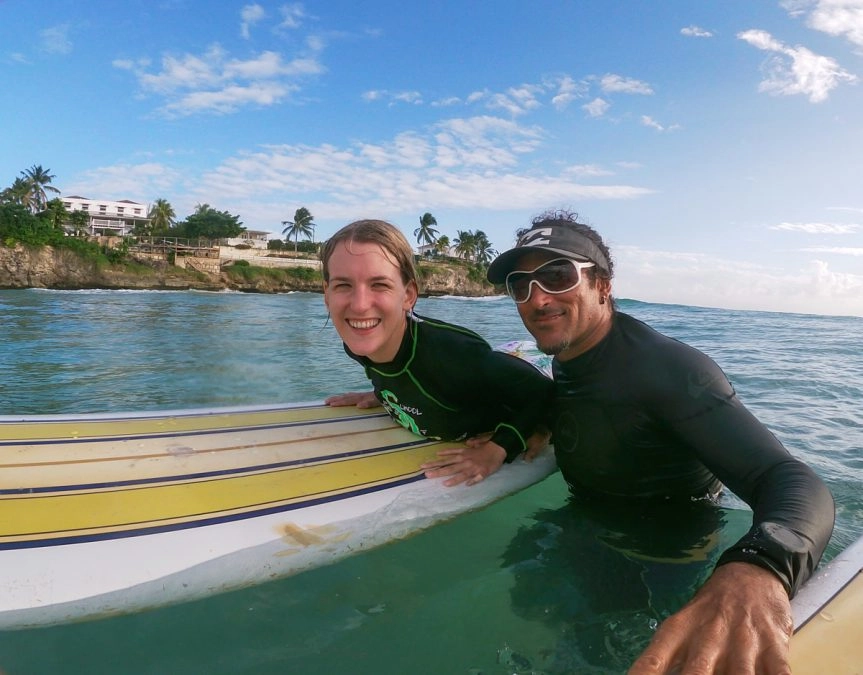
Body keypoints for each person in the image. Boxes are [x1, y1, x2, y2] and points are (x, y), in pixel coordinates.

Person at [482, 209, 835, 674]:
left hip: (661, 562)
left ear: (602, 286)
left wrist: (758, 569)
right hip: (584, 526)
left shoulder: (671, 370)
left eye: (557, 275)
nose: (538, 298)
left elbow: (790, 480)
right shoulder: (569, 356)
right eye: (520, 285)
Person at [321, 219, 553, 484]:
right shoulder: (358, 342)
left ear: (408, 295)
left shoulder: (452, 354)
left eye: (379, 285)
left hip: (526, 372)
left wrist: (502, 445)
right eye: (343, 285)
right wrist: (387, 391)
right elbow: (408, 372)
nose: (360, 306)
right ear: (326, 294)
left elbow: (543, 391)